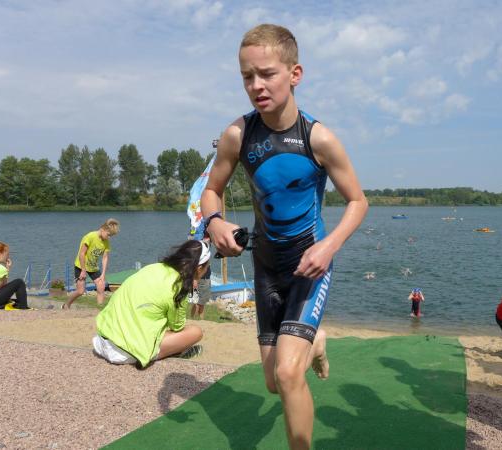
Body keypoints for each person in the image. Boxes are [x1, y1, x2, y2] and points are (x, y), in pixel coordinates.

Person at [199, 24, 368, 449]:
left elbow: (358, 202)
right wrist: (214, 223)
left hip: (310, 264)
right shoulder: (238, 135)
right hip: (266, 266)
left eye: (267, 74)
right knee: (274, 382)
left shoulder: (319, 138)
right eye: (247, 76)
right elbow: (211, 190)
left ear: (295, 74)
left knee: (290, 373)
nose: (256, 85)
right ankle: (316, 341)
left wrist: (329, 247)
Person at [93, 240, 206, 368]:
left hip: (102, 340)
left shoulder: (154, 267)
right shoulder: (179, 285)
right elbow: (177, 327)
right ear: (199, 268)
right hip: (124, 353)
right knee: (196, 332)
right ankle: (168, 353)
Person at [64, 218, 120, 309]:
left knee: (101, 286)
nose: (109, 237)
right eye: (108, 235)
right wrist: (83, 270)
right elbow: (82, 254)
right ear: (103, 229)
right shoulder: (90, 236)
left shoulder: (106, 242)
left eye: (111, 236)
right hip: (81, 265)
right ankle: (66, 305)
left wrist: (103, 274)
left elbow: (105, 257)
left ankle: (100, 310)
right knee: (80, 291)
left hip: (93, 267)